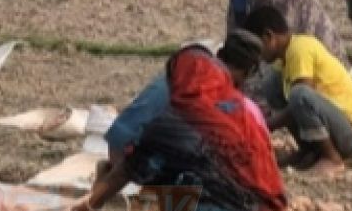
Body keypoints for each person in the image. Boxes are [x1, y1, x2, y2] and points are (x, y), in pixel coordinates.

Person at [75, 44, 291, 211]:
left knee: (163, 163)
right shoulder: (242, 113)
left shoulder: (170, 123)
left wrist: (91, 205)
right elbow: (269, 178)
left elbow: (125, 171)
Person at [103, 18, 269, 170]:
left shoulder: (185, 69)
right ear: (247, 72)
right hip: (138, 165)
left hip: (120, 151)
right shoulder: (211, 92)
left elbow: (122, 132)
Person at [250, 6, 352, 175]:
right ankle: (309, 150)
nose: (258, 56)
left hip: (351, 135)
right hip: (335, 125)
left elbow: (300, 99)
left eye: (258, 48)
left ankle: (332, 158)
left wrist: (266, 125)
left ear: (268, 36)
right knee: (272, 84)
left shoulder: (300, 49)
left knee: (299, 95)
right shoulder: (285, 58)